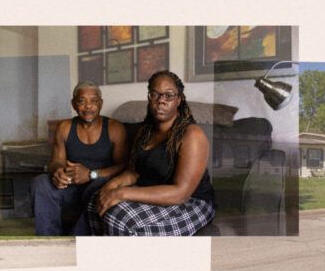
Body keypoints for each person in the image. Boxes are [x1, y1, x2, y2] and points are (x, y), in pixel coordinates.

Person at [87, 71, 215, 236]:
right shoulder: (144, 131)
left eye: (169, 95)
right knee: (95, 202)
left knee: (118, 217)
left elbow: (181, 193)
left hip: (192, 202)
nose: (161, 100)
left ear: (179, 99)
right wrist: (110, 187)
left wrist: (122, 193)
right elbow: (134, 172)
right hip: (153, 190)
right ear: (149, 97)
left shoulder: (192, 135)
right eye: (155, 94)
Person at [30, 81, 128, 236]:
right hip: (70, 186)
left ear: (100, 104)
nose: (88, 106)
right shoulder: (64, 127)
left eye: (93, 101)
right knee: (40, 183)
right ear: (74, 104)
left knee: (99, 185)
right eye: (82, 101)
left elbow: (124, 166)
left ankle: (74, 242)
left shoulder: (114, 128)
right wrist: (58, 172)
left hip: (98, 183)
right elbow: (56, 161)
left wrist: (90, 174)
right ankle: (48, 241)